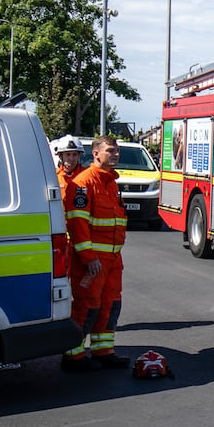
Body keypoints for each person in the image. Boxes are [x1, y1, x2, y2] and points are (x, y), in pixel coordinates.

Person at [61, 134, 130, 371]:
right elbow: (77, 224)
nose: (116, 154)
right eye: (110, 150)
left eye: (116, 150)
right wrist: (89, 258)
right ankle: (73, 354)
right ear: (96, 153)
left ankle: (103, 350)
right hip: (91, 260)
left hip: (112, 259)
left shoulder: (110, 183)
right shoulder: (83, 183)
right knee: (87, 305)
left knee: (110, 304)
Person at [50, 135, 86, 282]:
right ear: (60, 156)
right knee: (62, 278)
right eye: (68, 154)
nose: (71, 158)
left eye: (74, 154)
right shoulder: (53, 178)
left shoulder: (86, 177)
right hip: (62, 237)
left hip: (83, 237)